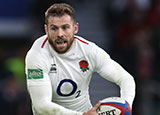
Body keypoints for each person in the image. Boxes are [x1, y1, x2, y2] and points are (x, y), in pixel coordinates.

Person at [25, 3, 136, 115]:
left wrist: (126, 107)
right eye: (54, 28)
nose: (60, 34)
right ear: (46, 30)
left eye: (65, 27)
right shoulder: (37, 55)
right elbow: (42, 106)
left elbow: (126, 79)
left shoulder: (89, 51)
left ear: (75, 28)